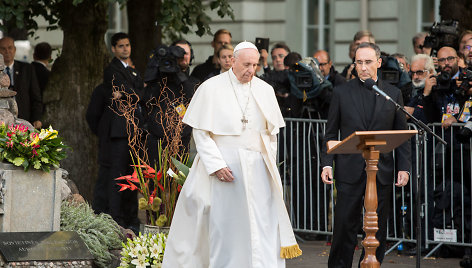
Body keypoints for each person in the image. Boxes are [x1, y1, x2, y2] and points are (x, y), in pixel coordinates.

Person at [162, 41, 302, 268]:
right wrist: (216, 164)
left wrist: (269, 165)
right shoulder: (211, 87)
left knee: (262, 225)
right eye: (246, 64)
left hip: (258, 169)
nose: (251, 70)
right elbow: (201, 132)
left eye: (255, 65)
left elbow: (271, 135)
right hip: (223, 167)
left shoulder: (264, 90)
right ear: (233, 61)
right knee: (224, 227)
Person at [320, 42, 411, 267]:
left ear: (379, 63)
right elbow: (331, 132)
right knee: (343, 226)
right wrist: (327, 163)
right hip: (349, 170)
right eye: (359, 62)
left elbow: (401, 134)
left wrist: (404, 167)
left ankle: (371, 264)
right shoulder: (341, 92)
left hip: (381, 171)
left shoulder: (392, 93)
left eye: (368, 62)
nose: (363, 67)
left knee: (378, 228)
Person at [92, 32, 143, 232]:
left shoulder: (131, 71)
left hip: (132, 131)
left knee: (131, 175)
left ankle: (128, 216)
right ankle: (115, 218)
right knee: (117, 175)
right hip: (118, 132)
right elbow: (131, 92)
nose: (125, 49)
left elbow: (139, 94)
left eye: (127, 45)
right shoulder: (112, 70)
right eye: (121, 46)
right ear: (113, 49)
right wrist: (133, 92)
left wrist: (129, 93)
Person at [0, 37, 42, 128]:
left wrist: (37, 118)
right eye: (3, 48)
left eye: (10, 48)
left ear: (15, 50)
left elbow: (36, 97)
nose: (7, 51)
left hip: (25, 121)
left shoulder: (27, 69)